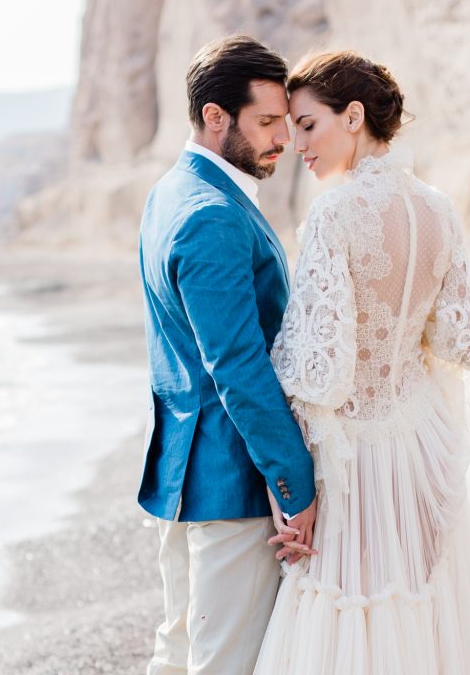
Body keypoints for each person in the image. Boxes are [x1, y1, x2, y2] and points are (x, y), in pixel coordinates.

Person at [255, 51, 470, 673]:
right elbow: (465, 341)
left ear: (355, 116)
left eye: (308, 125)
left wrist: (288, 487)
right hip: (421, 439)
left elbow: (319, 374)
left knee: (349, 612)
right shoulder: (438, 208)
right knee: (421, 611)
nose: (296, 144)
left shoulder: (334, 214)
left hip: (354, 457)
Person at [137, 35, 318, 675]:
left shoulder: (171, 192)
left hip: (186, 472)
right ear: (216, 117)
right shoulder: (212, 214)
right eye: (267, 122)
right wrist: (294, 484)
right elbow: (238, 367)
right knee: (223, 664)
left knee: (180, 652)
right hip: (231, 484)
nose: (284, 141)